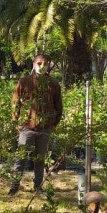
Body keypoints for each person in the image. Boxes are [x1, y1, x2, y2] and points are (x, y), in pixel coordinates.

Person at [9, 54, 63, 196]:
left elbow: (59, 107)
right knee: (21, 157)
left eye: (45, 63)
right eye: (39, 63)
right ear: (34, 64)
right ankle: (14, 186)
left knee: (40, 159)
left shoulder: (53, 84)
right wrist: (16, 121)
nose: (42, 66)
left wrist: (53, 124)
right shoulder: (24, 82)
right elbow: (16, 103)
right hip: (27, 127)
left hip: (45, 128)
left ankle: (38, 186)